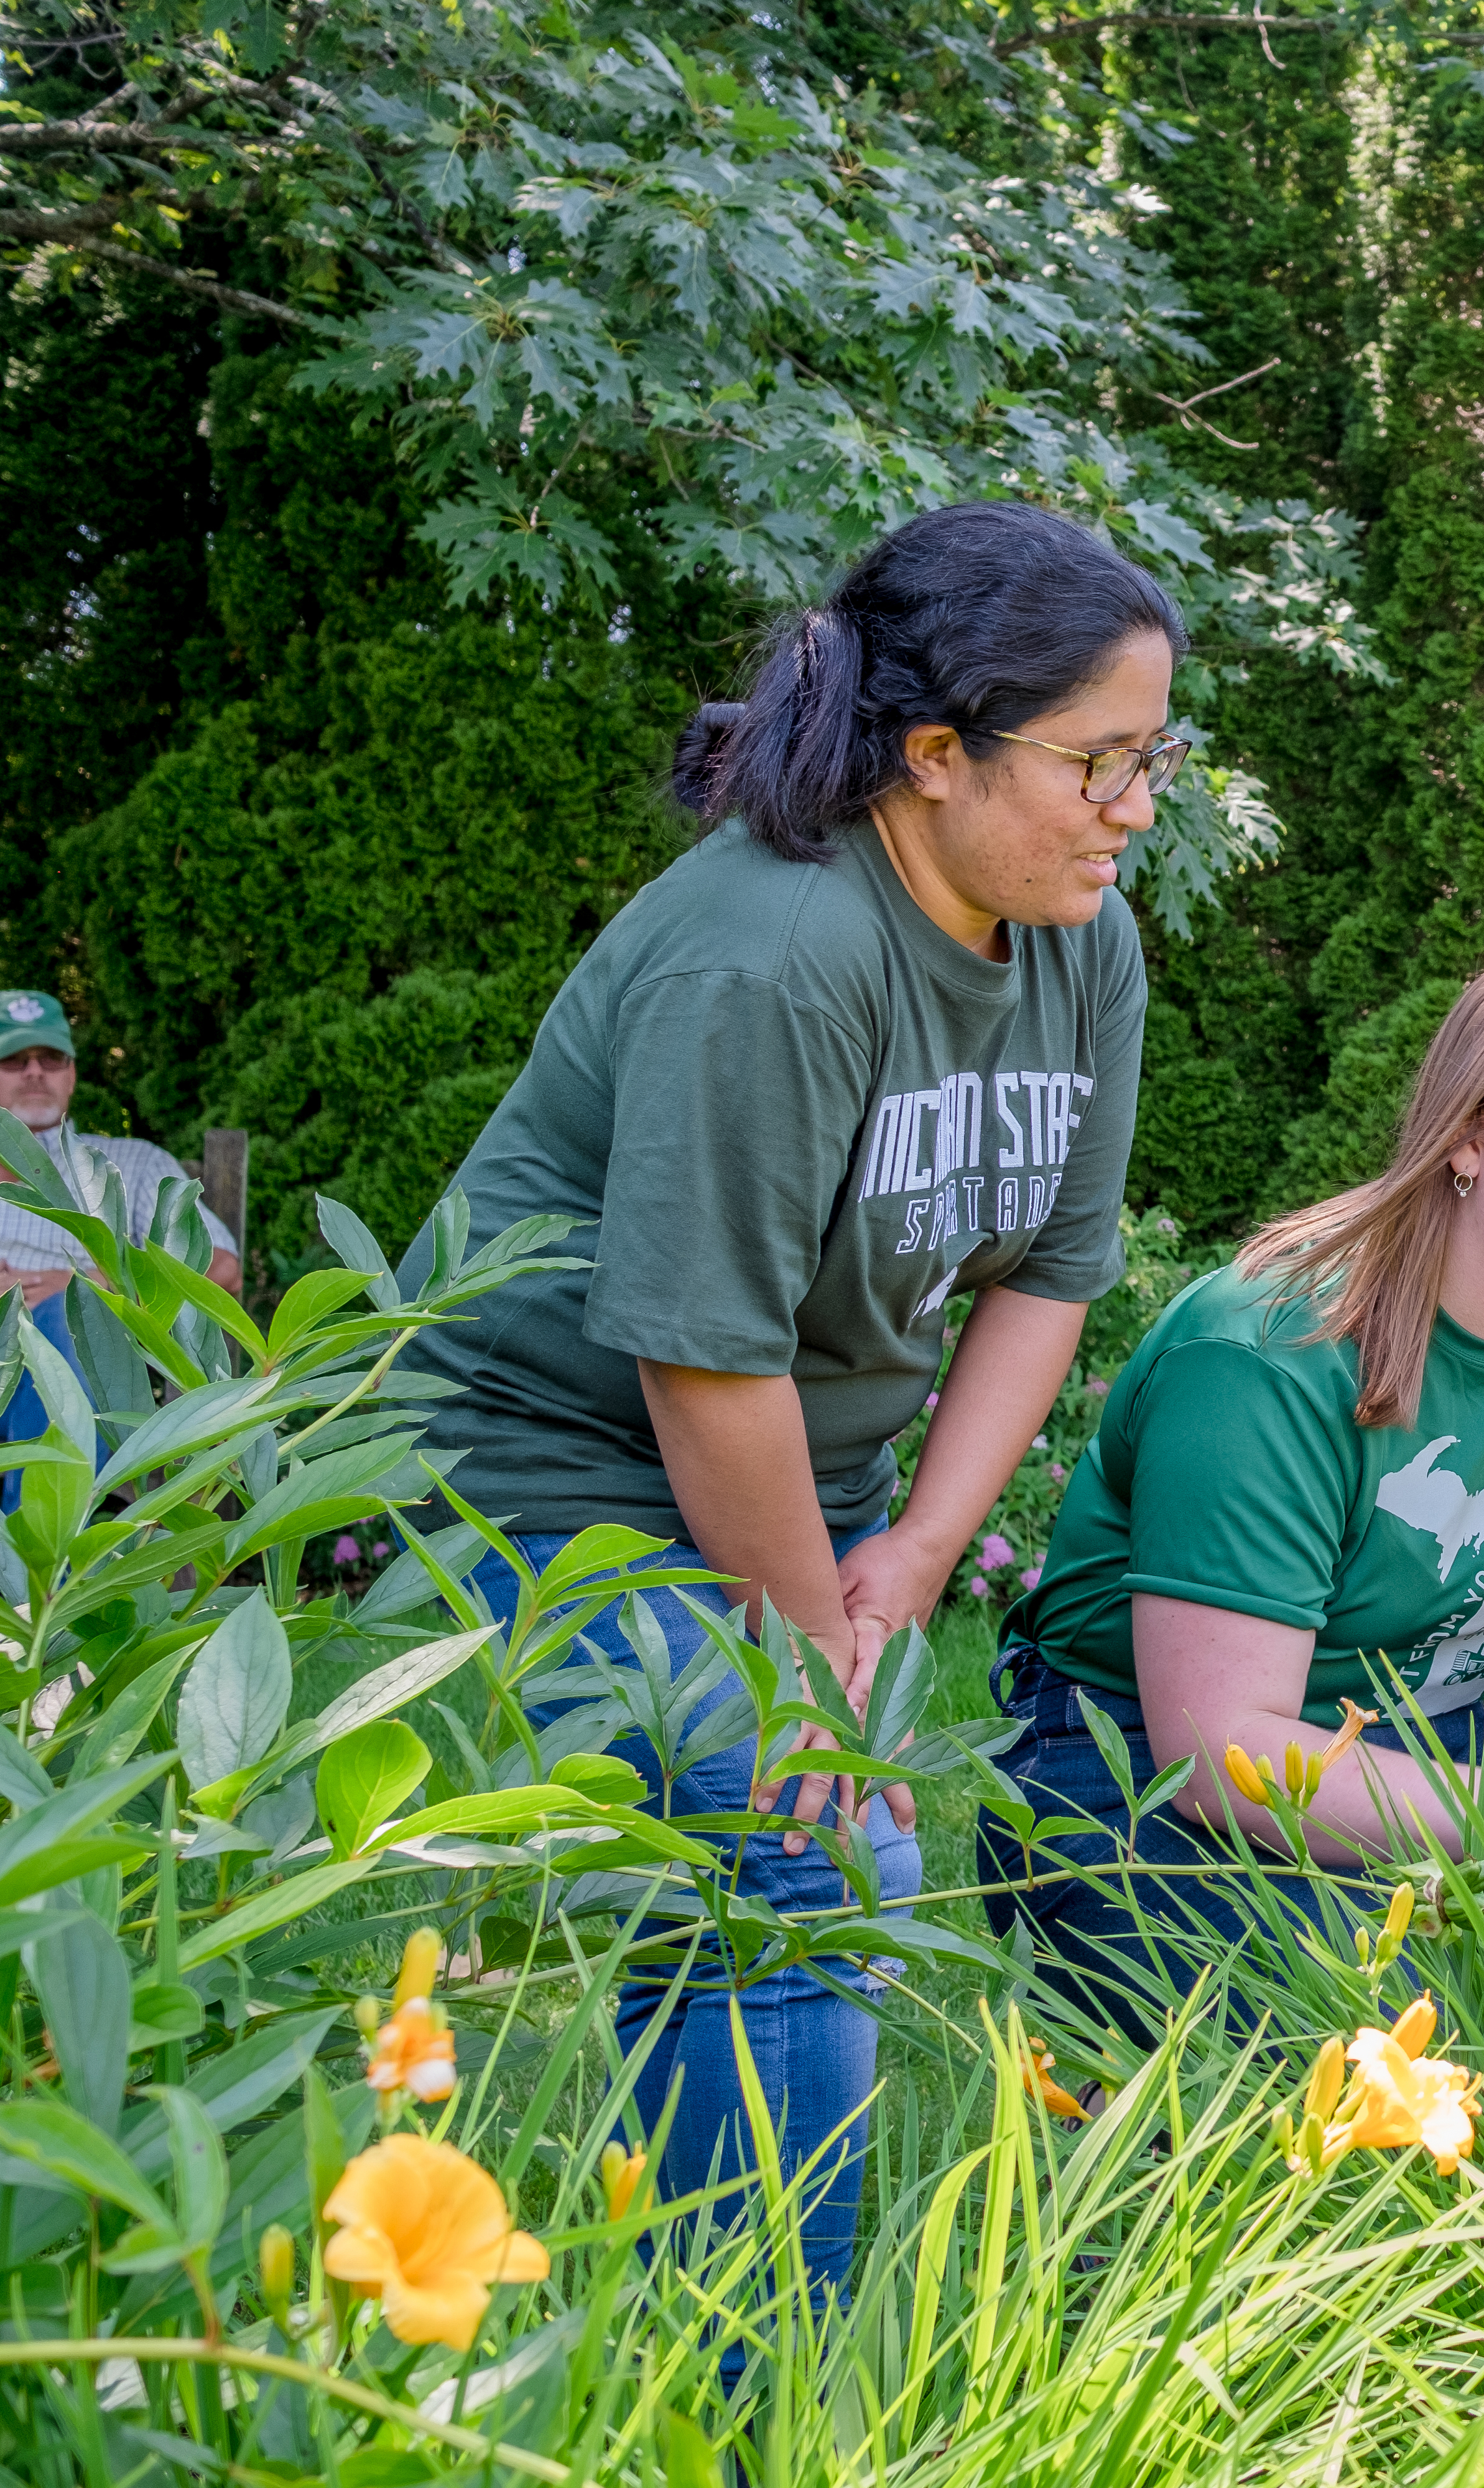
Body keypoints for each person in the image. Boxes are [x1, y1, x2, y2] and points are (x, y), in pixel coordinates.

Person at [400, 500, 1166, 2293]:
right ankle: (764, 2373)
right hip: (555, 1460)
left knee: (865, 1879)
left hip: (783, 1477)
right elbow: (699, 1352)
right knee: (782, 1839)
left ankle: (693, 2250)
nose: (1138, 810)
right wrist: (799, 1644)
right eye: (1101, 762)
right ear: (931, 756)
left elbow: (1049, 1278)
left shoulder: (1079, 939)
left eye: (1157, 758)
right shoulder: (776, 953)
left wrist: (904, 1560)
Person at [984, 941, 1484, 2041]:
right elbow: (1217, 1756)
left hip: (1426, 1748)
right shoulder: (1270, 1348)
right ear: (1470, 1132)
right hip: (1131, 1764)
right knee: (1324, 2024)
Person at [0, 991, 243, 1499]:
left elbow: (221, 1267)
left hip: (71, 1357)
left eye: (51, 1059)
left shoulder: (126, 1164)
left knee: (71, 1319)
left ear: (71, 1074)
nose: (34, 1073)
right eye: (13, 1060)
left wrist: (95, 1284)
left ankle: (36, 1561)